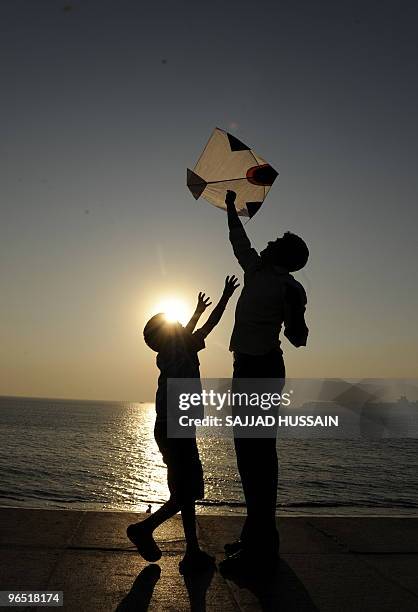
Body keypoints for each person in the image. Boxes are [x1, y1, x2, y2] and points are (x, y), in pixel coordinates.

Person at [219, 190, 309, 575]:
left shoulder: (290, 288)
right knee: (248, 459)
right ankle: (254, 535)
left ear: (285, 256)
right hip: (246, 370)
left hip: (264, 371)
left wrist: (294, 312)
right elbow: (240, 242)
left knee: (258, 460)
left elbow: (299, 337)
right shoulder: (255, 269)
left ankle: (262, 548)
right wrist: (229, 208)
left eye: (278, 241)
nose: (269, 241)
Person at [127, 275, 239, 575]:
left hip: (172, 427)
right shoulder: (179, 349)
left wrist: (198, 311)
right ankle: (144, 529)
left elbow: (193, 330)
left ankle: (191, 551)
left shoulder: (175, 351)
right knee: (187, 492)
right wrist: (224, 298)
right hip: (175, 429)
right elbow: (206, 328)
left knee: (186, 491)